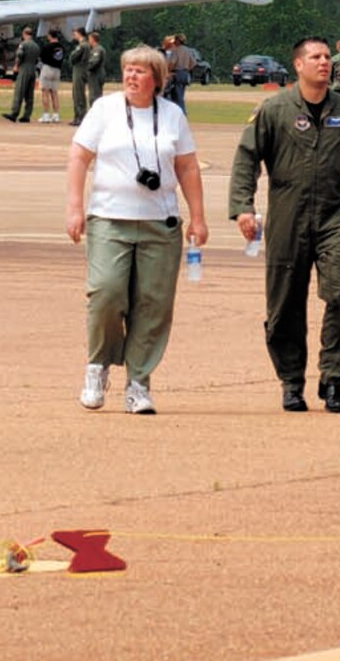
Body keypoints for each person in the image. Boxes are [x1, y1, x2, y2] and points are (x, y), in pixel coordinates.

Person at [229, 36, 340, 413]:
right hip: (287, 214)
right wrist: (242, 207)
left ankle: (333, 378)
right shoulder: (274, 109)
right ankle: (291, 381)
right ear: (298, 65)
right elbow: (246, 158)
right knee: (284, 301)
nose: (324, 62)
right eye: (315, 57)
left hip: (333, 215)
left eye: (327, 57)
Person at [67, 44, 207, 415]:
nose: (131, 76)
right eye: (128, 69)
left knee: (153, 304)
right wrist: (75, 206)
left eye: (141, 71)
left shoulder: (173, 115)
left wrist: (198, 216)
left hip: (160, 224)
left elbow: (188, 167)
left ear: (157, 79)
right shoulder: (105, 109)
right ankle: (98, 366)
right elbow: (79, 156)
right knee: (107, 292)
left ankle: (139, 382)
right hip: (110, 218)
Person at [4, 27, 40, 122]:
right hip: (33, 69)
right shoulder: (36, 46)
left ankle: (14, 113)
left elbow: (19, 55)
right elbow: (37, 60)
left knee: (19, 91)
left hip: (24, 68)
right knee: (29, 94)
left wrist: (16, 65)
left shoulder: (23, 44)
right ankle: (27, 115)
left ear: (25, 34)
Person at [39, 29, 67, 123]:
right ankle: (56, 115)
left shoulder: (48, 46)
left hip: (48, 68)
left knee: (45, 92)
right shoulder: (61, 47)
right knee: (54, 93)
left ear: (50, 36)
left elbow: (42, 58)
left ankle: (46, 114)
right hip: (57, 70)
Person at [67, 29, 93, 125]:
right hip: (82, 70)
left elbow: (73, 57)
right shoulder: (86, 45)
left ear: (80, 34)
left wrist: (72, 58)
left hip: (79, 70)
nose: (74, 34)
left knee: (78, 94)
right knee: (78, 94)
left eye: (75, 33)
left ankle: (80, 117)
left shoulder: (82, 45)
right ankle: (79, 116)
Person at [81, 29, 108, 122]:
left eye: (90, 39)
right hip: (95, 74)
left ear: (93, 39)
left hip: (96, 74)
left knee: (94, 96)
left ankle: (96, 117)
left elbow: (94, 62)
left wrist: (86, 67)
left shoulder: (98, 49)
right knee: (95, 95)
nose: (89, 41)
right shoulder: (96, 49)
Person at [163, 34, 193, 111]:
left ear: (178, 41)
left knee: (177, 97)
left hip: (177, 73)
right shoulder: (188, 50)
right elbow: (193, 63)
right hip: (185, 74)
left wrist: (167, 71)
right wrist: (186, 69)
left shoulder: (176, 50)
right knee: (181, 95)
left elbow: (172, 62)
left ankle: (181, 115)